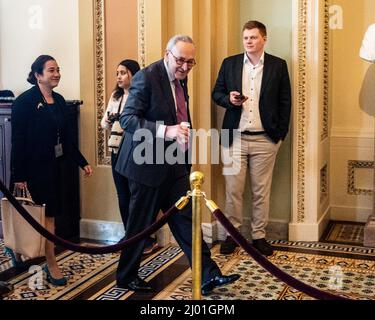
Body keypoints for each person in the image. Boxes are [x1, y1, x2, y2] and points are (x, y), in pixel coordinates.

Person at [115, 35, 240, 295]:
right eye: (180, 60)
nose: (185, 67)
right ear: (167, 54)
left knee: (187, 220)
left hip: (174, 164)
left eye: (190, 62)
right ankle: (126, 277)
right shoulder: (146, 77)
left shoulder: (181, 78)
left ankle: (208, 275)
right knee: (140, 226)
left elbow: (180, 115)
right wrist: (166, 131)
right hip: (145, 165)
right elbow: (127, 119)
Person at [10, 55, 93, 285]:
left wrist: (81, 161)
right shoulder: (24, 102)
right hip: (30, 170)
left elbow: (65, 138)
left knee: (48, 217)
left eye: (58, 69)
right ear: (37, 75)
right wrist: (19, 176)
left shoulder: (58, 100)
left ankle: (50, 261)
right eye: (51, 70)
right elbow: (17, 141)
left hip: (53, 168)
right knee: (26, 213)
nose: (56, 74)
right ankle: (18, 250)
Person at [212, 21, 291, 256]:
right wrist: (230, 99)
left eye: (253, 37)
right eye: (245, 37)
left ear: (264, 39)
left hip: (265, 139)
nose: (248, 41)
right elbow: (216, 93)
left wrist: (280, 135)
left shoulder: (278, 65)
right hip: (234, 138)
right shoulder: (230, 63)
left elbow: (285, 102)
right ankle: (232, 235)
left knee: (260, 191)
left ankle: (259, 236)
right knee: (233, 191)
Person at [100, 59, 157, 255]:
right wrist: (108, 119)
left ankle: (145, 236)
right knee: (122, 195)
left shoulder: (141, 95)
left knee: (137, 197)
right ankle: (129, 234)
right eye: (117, 73)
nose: (119, 77)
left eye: (123, 72)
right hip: (117, 150)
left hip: (136, 151)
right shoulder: (115, 97)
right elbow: (103, 124)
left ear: (134, 74)